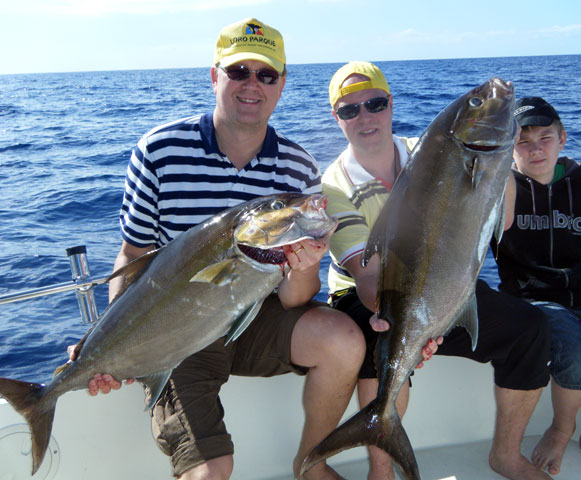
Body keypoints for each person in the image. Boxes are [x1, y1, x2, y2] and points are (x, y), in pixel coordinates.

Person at [74, 18, 369, 480]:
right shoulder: (159, 151)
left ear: (281, 85)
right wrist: (113, 344)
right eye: (239, 72)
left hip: (256, 313)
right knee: (211, 470)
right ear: (215, 77)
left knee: (345, 339)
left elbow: (294, 299)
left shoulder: (297, 165)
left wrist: (305, 266)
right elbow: (133, 258)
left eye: (267, 75)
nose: (253, 85)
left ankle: (311, 463)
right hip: (178, 329)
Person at [322, 61, 553, 480]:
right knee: (378, 340)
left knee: (530, 329)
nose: (365, 116)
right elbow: (370, 278)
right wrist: (415, 324)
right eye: (349, 109)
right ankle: (382, 469)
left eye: (373, 103)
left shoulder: (426, 150)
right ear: (335, 118)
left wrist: (500, 165)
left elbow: (499, 224)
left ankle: (506, 454)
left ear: (391, 104)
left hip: (445, 288)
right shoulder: (334, 184)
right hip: (368, 296)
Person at [492, 96, 581, 480]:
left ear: (563, 139)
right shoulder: (498, 191)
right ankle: (562, 429)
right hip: (533, 302)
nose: (536, 148)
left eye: (546, 137)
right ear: (509, 148)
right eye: (523, 141)